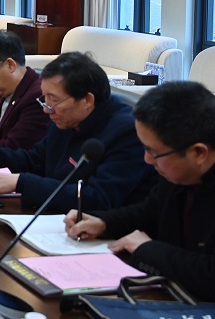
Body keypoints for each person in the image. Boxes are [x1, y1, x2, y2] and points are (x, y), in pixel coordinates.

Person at [64, 81, 215, 301]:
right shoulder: (179, 173)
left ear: (199, 153)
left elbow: (210, 275)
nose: (147, 159)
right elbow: (149, 213)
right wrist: (104, 223)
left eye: (154, 152)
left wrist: (147, 250)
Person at [0, 52, 156, 212]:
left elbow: (98, 198)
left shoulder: (128, 132)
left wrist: (21, 182)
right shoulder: (65, 118)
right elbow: (35, 159)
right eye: (44, 99)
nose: (46, 109)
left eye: (53, 100)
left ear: (87, 100)